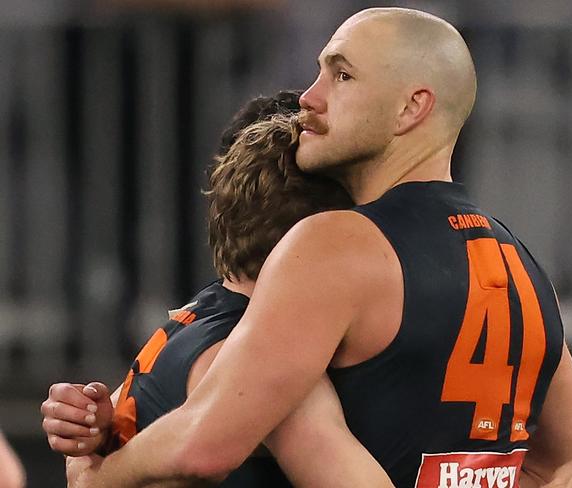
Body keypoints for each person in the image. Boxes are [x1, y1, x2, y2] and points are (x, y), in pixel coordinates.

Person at [43, 7, 572, 488]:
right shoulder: (519, 260)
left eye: (341, 76)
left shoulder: (333, 244)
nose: (309, 96)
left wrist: (100, 474)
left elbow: (205, 442)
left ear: (412, 107)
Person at [41, 92, 394, 487]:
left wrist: (95, 439)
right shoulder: (263, 362)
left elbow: (87, 450)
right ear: (326, 235)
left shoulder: (200, 314)